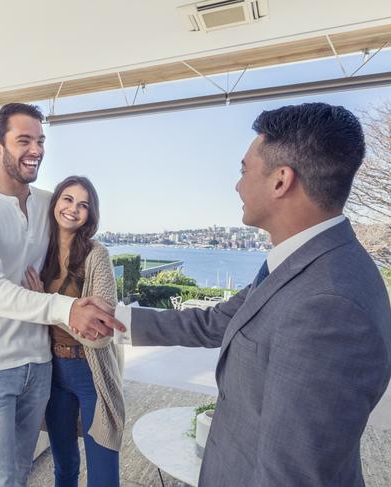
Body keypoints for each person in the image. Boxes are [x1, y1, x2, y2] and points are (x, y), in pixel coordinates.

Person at [86, 103, 391, 486]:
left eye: (244, 170)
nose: (237, 185)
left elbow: (292, 475)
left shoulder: (330, 306)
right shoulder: (301, 262)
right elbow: (222, 320)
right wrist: (119, 317)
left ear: (281, 181)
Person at [0, 103, 124, 487]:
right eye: (24, 140)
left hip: (40, 362)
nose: (36, 149)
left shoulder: (49, 203)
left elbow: (71, 246)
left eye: (40, 140)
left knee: (22, 471)